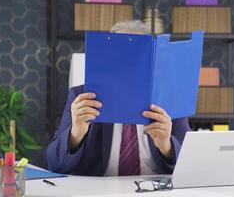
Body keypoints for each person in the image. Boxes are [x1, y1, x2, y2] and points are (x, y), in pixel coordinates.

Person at [46, 20, 191, 176]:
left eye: (136, 54)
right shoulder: (82, 97)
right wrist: (75, 134)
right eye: (121, 53)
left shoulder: (169, 98)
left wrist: (166, 146)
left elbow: (191, 166)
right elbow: (54, 164)